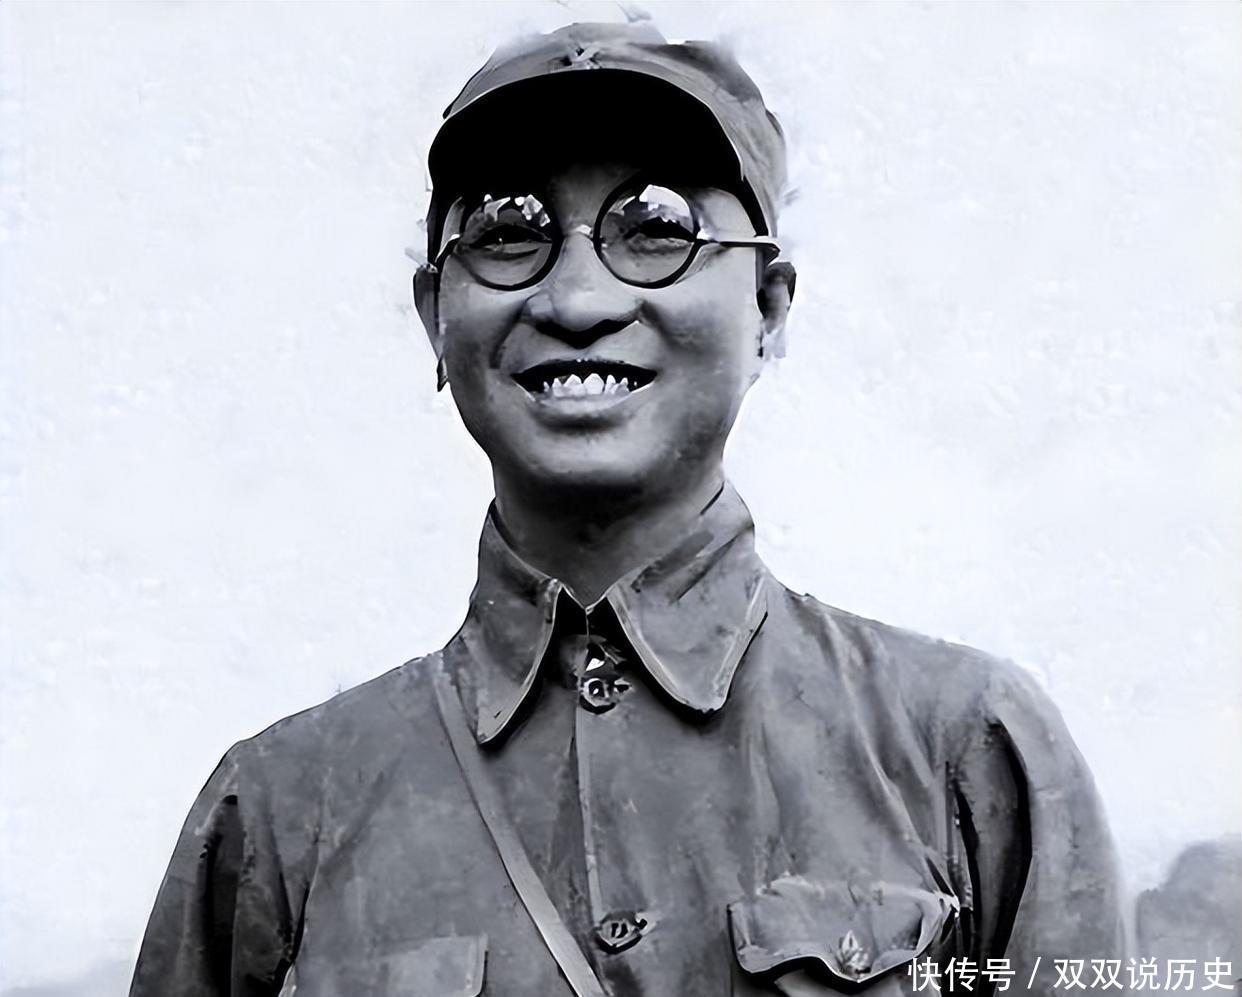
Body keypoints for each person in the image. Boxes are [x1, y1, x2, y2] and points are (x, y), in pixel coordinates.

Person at [130, 21, 1125, 997]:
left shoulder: (967, 748)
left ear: (769, 307)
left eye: (656, 228)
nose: (577, 301)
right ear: (436, 313)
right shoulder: (278, 812)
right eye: (508, 231)